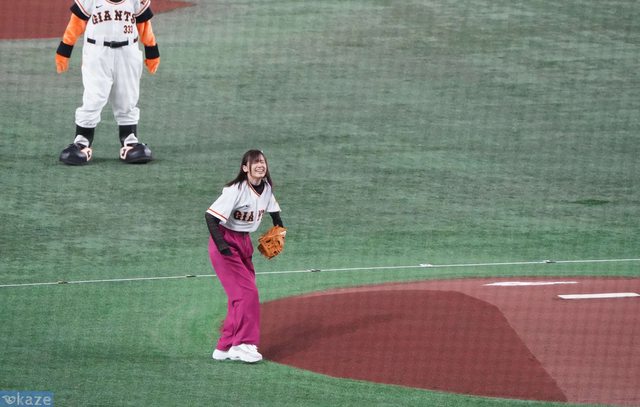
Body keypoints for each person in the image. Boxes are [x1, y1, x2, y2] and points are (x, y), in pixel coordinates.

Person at [55, 0, 160, 165]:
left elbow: (144, 24)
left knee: (127, 96)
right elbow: (77, 22)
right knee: (94, 96)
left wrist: (151, 49)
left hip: (128, 51)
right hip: (97, 53)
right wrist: (65, 48)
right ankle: (82, 142)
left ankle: (130, 141)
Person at [205, 150, 284, 363]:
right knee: (247, 293)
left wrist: (279, 228)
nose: (260, 165)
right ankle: (243, 344)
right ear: (245, 168)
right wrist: (223, 247)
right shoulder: (235, 190)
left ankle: (225, 346)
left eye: (263, 161)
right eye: (255, 162)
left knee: (238, 297)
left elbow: (273, 210)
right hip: (225, 242)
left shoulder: (266, 188)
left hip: (244, 243)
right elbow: (210, 217)